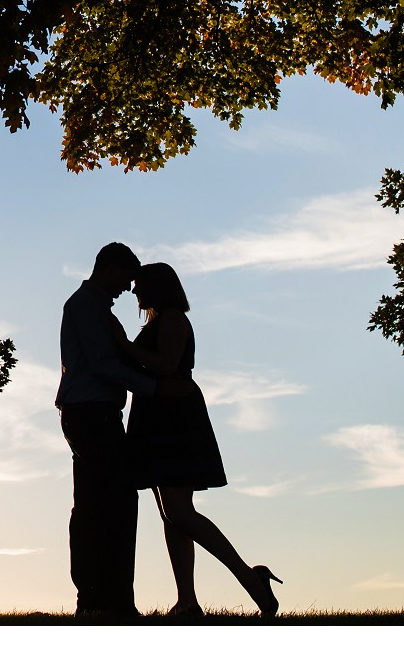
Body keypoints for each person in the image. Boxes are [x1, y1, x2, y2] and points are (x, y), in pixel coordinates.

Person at [118, 260, 282, 619]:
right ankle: (188, 600)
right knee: (171, 514)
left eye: (140, 284)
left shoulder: (174, 318)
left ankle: (249, 578)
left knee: (178, 510)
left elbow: (166, 364)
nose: (133, 291)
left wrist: (122, 347)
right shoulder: (160, 319)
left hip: (174, 415)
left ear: (157, 286)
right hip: (157, 414)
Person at [56, 241, 166, 621]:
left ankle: (104, 598)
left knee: (103, 505)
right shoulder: (87, 307)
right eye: (125, 277)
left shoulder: (94, 309)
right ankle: (102, 597)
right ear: (109, 268)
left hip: (94, 414)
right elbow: (103, 365)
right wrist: (155, 389)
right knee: (105, 506)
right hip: (91, 415)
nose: (128, 288)